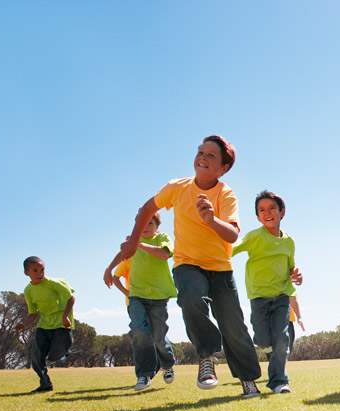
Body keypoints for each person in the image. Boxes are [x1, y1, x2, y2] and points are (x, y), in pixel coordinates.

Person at [104, 135, 263, 397]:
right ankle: (207, 358)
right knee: (190, 298)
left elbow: (232, 235)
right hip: (187, 263)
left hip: (220, 267)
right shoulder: (177, 188)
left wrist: (211, 219)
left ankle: (248, 380)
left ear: (223, 168)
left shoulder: (225, 193)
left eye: (211, 155)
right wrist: (133, 241)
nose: (203, 157)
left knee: (233, 325)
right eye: (201, 151)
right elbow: (146, 208)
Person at [232, 190, 302, 394]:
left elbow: (291, 268)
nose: (267, 212)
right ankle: (270, 352)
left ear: (282, 212)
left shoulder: (289, 242)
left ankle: (279, 382)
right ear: (257, 216)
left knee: (281, 340)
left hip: (281, 297)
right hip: (258, 298)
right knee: (263, 341)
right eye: (262, 210)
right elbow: (231, 249)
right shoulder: (254, 236)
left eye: (272, 208)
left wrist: (296, 276)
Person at [104, 212, 177, 391]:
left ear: (157, 226)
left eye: (150, 223)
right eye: (141, 223)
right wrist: (109, 269)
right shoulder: (133, 243)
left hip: (159, 296)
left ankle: (167, 364)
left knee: (159, 336)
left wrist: (139, 244)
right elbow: (122, 254)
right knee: (138, 331)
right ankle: (144, 374)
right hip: (136, 295)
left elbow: (164, 254)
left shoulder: (162, 238)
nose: (145, 226)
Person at [16, 257, 75, 393]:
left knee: (57, 356)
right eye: (35, 271)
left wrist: (65, 316)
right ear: (27, 273)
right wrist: (23, 324)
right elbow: (33, 314)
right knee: (36, 357)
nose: (40, 273)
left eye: (42, 270)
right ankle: (45, 384)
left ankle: (65, 352)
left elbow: (70, 298)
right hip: (44, 325)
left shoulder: (54, 284)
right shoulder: (28, 291)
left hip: (62, 323)